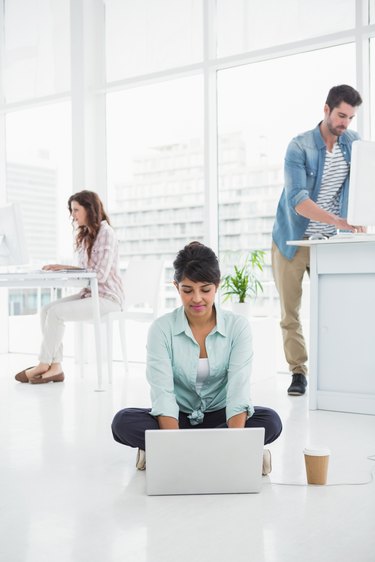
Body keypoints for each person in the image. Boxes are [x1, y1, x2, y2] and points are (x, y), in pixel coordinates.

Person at [112, 241, 282, 475]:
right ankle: (222, 452)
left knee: (271, 421)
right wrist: (173, 442)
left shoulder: (237, 327)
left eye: (205, 289)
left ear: (217, 286)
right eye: (188, 290)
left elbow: (238, 390)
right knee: (123, 422)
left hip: (221, 414)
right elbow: (163, 393)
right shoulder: (161, 329)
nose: (197, 299)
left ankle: (160, 451)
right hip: (176, 417)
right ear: (176, 287)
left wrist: (235, 442)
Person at [272, 84, 364, 397]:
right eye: (341, 115)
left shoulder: (353, 143)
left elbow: (365, 180)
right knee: (290, 312)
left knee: (338, 308)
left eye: (350, 118)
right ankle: (298, 373)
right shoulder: (298, 146)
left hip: (329, 242)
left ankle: (338, 372)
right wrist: (339, 220)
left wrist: (358, 218)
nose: (345, 123)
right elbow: (298, 199)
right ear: (326, 110)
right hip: (294, 239)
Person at [15, 190, 124, 384]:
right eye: (71, 210)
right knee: (46, 310)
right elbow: (85, 271)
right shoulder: (86, 235)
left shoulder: (106, 232)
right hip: (90, 294)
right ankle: (55, 366)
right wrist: (62, 268)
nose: (72, 215)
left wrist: (65, 267)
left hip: (108, 298)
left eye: (76, 210)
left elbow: (100, 274)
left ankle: (43, 363)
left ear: (89, 210)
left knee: (56, 313)